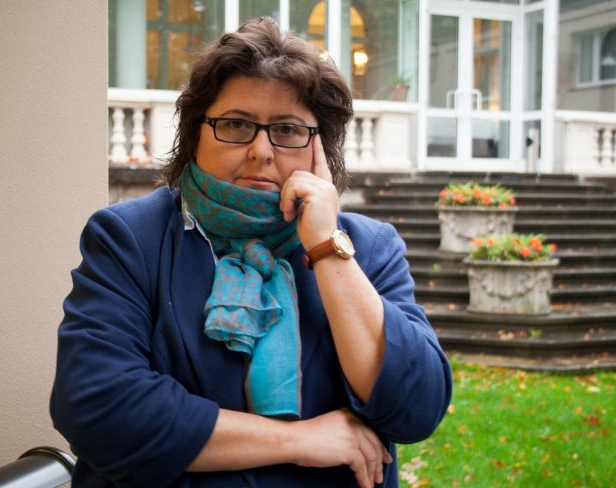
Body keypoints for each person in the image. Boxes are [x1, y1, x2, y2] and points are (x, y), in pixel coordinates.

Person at [50, 17, 452, 488]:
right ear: (194, 134)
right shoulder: (129, 239)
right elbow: (97, 406)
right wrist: (299, 441)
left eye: (287, 129)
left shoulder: (367, 249)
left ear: (320, 149)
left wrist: (326, 248)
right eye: (236, 124)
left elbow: (417, 408)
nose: (262, 151)